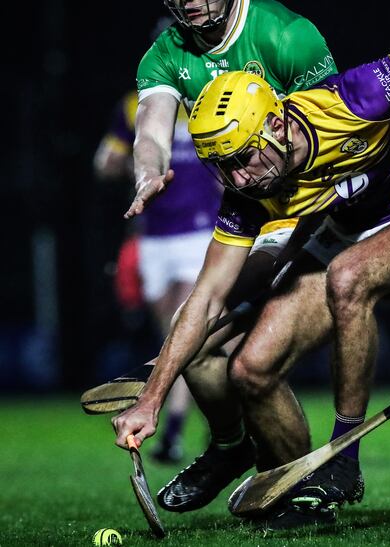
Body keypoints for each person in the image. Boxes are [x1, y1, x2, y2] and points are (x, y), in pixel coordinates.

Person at [112, 18, 390, 530]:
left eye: (243, 159)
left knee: (349, 276)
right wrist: (152, 401)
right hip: (345, 235)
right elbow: (204, 300)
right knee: (251, 369)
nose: (239, 178)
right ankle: (298, 490)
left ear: (275, 125)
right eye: (223, 168)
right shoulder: (246, 192)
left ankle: (343, 459)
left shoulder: (351, 99)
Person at [116, 0, 339, 512]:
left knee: (250, 362)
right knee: (193, 328)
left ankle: (303, 488)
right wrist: (148, 170)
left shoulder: (287, 36)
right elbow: (150, 131)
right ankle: (230, 445)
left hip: (322, 213)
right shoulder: (165, 55)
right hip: (249, 213)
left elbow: (332, 126)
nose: (188, 2)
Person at [94, 85, 223, 464]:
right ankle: (219, 423)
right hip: (153, 236)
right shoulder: (134, 105)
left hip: (200, 230)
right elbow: (106, 160)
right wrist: (120, 164)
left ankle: (173, 429)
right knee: (171, 337)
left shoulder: (209, 97)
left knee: (178, 329)